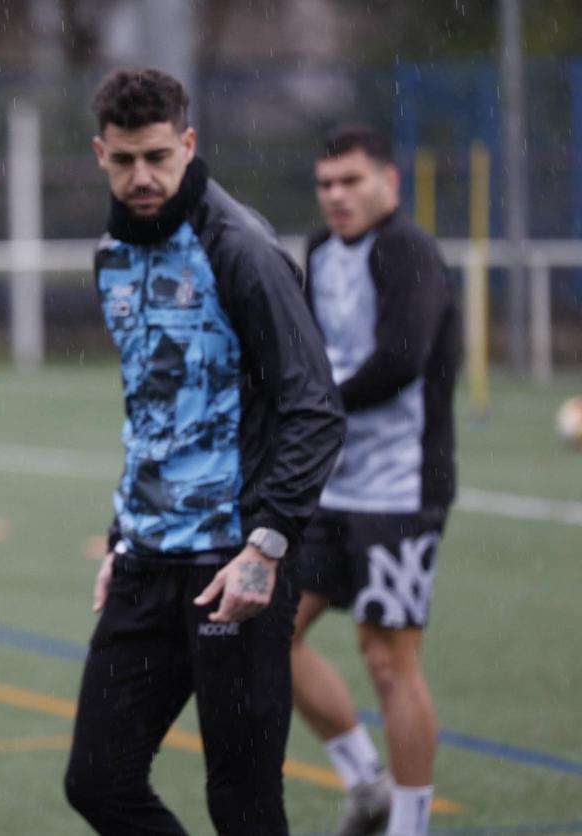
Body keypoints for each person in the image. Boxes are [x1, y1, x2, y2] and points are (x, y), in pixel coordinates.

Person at [63, 68, 345, 835]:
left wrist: (266, 545)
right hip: (146, 560)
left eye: (158, 156)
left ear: (188, 143)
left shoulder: (240, 249)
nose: (142, 177)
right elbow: (156, 409)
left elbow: (314, 407)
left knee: (244, 802)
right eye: (124, 161)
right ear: (100, 154)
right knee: (97, 780)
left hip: (237, 566)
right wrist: (123, 534)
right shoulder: (109, 255)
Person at [290, 123, 460, 836]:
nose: (337, 196)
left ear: (389, 183)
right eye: (326, 183)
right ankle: (367, 784)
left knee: (387, 659)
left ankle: (410, 826)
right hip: (329, 485)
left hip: (399, 489)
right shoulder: (320, 249)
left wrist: (312, 402)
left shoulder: (409, 251)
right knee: (268, 633)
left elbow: (399, 359)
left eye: (352, 181)